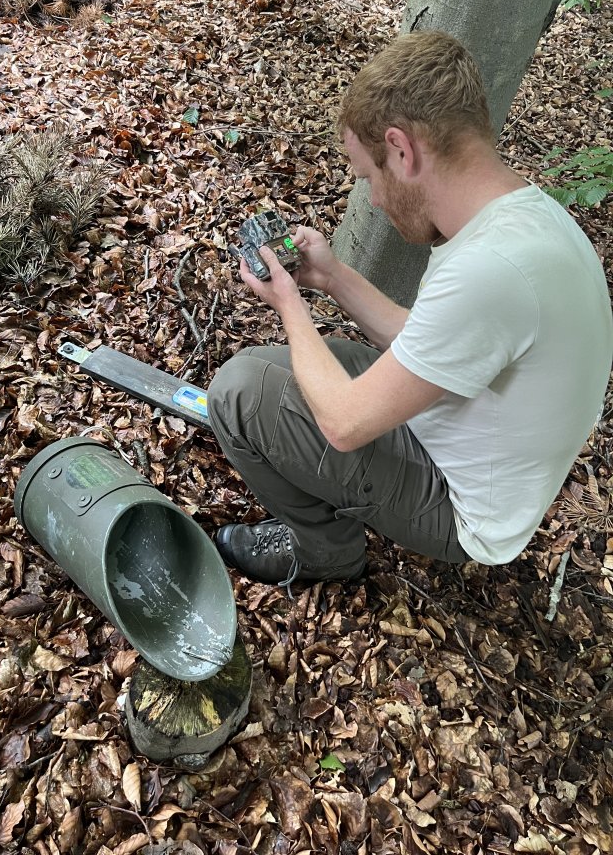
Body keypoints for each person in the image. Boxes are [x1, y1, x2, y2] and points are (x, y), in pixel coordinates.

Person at [207, 30, 613, 589]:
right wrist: (330, 276)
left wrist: (288, 302)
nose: (373, 198)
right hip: (472, 448)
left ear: (402, 149)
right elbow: (424, 340)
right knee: (287, 368)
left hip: (462, 508)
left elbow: (344, 425)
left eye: (370, 176)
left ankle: (324, 552)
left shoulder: (492, 269)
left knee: (239, 391)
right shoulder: (525, 221)